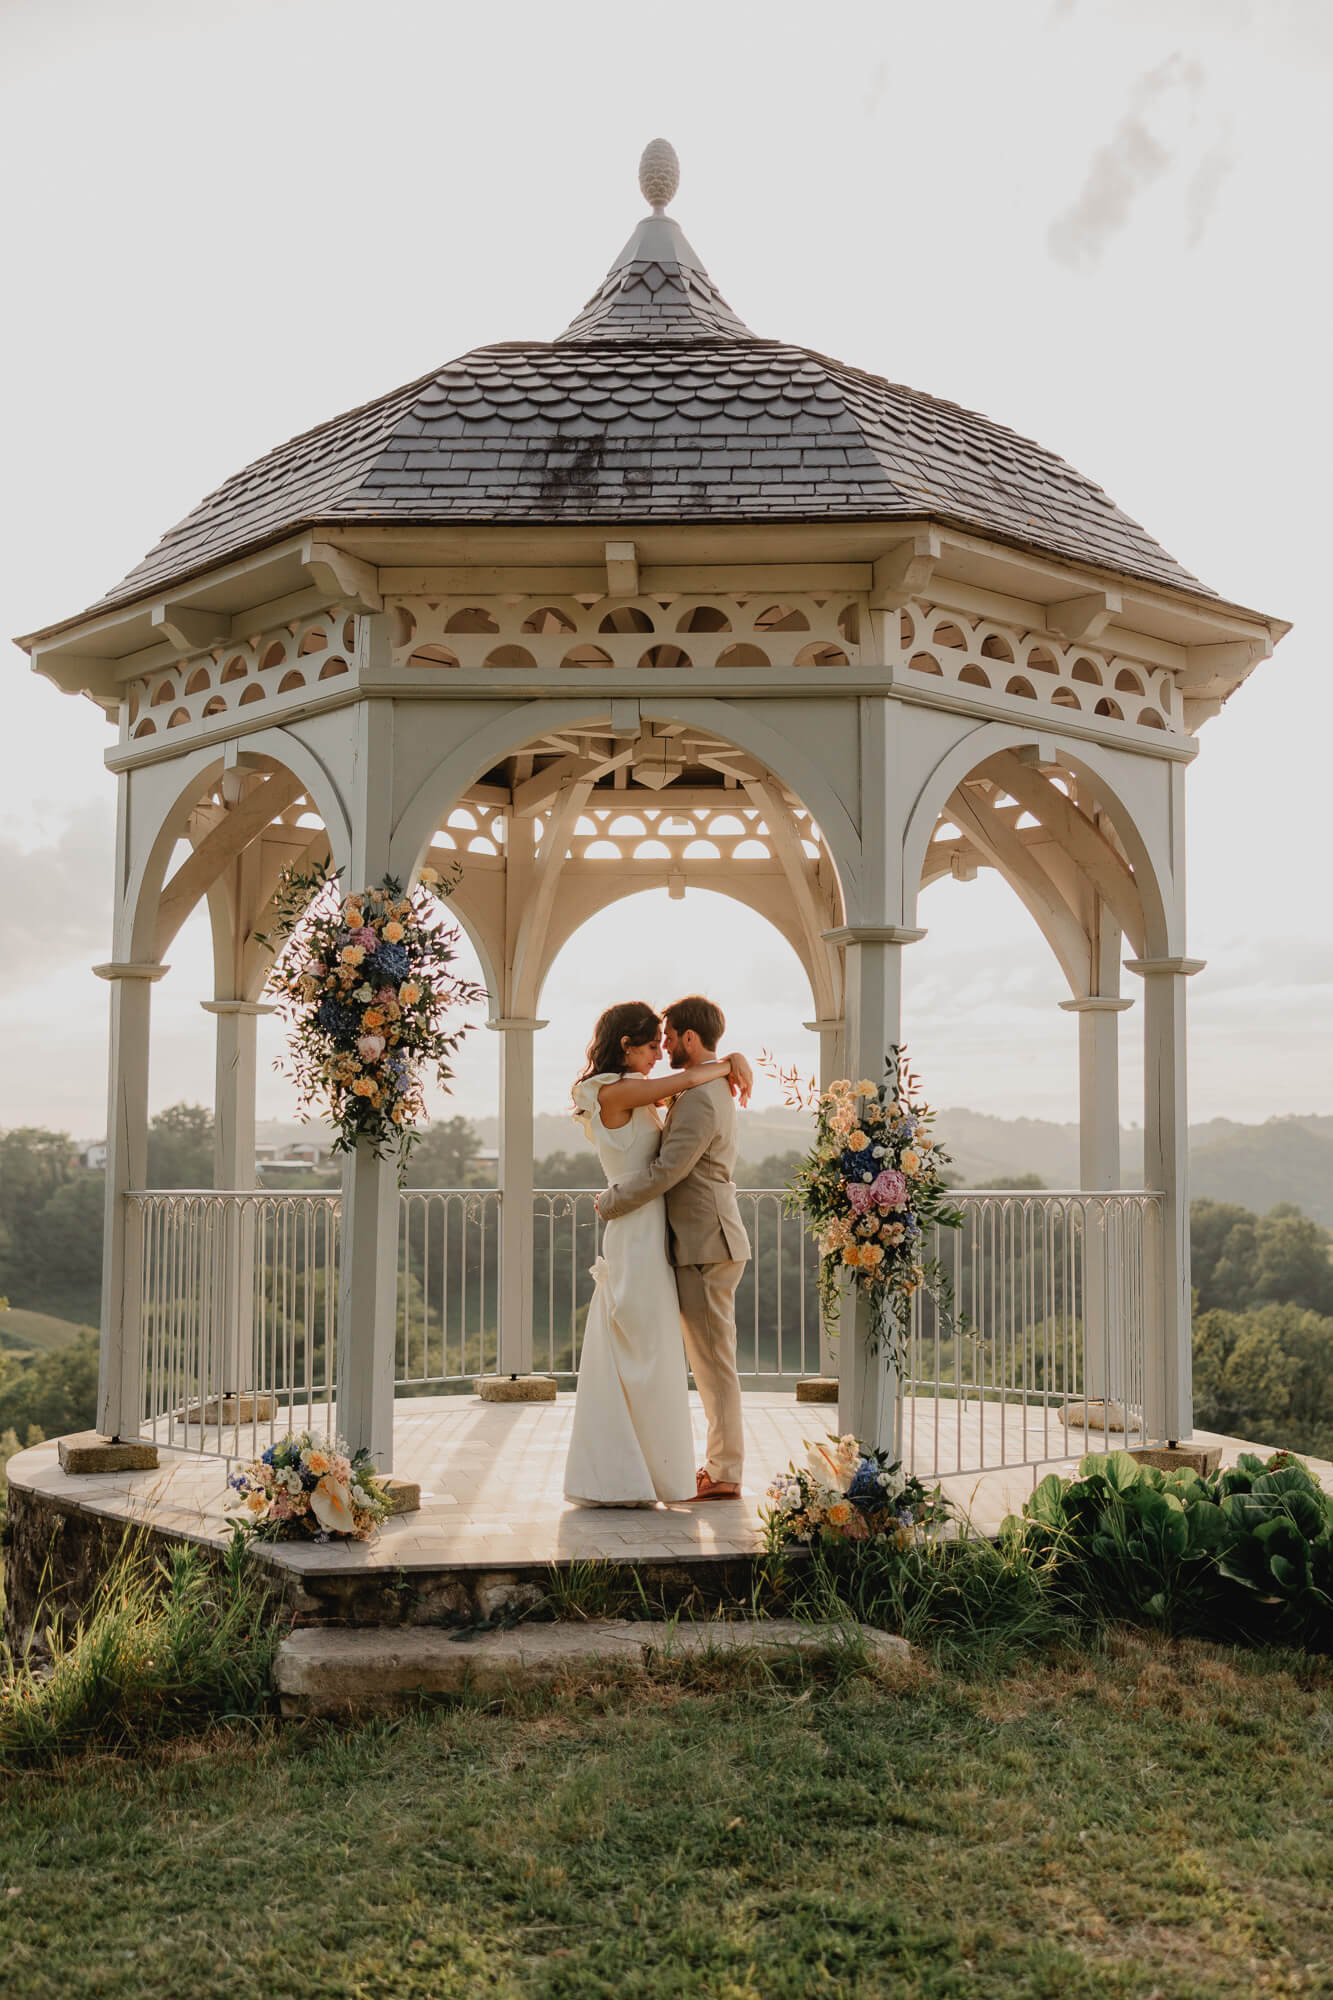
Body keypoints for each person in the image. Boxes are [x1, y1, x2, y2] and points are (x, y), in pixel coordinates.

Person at [563, 1000, 751, 1507]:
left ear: (689, 1039)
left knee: (705, 1362)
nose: (661, 1050)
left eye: (666, 1040)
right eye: (652, 1043)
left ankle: (721, 1470)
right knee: (652, 1347)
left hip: (695, 1237)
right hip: (660, 1235)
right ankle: (652, 1463)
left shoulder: (695, 1094)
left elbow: (668, 1171)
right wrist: (729, 1060)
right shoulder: (640, 1090)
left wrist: (612, 1202)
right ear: (626, 1046)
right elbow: (663, 1124)